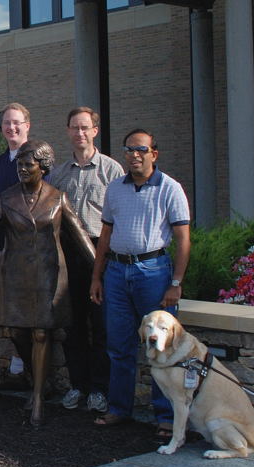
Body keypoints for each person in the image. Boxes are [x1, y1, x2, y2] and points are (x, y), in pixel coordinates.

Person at [0, 140, 94, 426]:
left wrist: (101, 272)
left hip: (48, 276)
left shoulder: (57, 199)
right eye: (20, 164)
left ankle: (37, 397)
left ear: (44, 167)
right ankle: (38, 379)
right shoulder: (6, 198)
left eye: (29, 164)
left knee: (41, 333)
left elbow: (81, 239)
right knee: (17, 332)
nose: (23, 169)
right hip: (14, 276)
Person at [89, 128, 191, 437]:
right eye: (129, 149)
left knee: (162, 348)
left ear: (153, 154)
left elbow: (183, 239)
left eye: (141, 150)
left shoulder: (170, 188)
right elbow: (105, 235)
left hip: (154, 272)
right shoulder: (115, 189)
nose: (134, 154)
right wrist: (97, 276)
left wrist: (176, 282)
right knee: (119, 346)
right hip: (117, 273)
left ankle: (165, 415)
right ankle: (120, 409)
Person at [49, 107, 124, 414]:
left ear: (95, 131)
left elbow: (119, 216)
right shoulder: (59, 174)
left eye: (85, 128)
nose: (79, 133)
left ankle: (99, 389)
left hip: (99, 252)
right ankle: (78, 385)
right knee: (72, 324)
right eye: (74, 128)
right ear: (68, 131)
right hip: (68, 254)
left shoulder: (111, 171)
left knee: (101, 325)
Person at [0, 102, 31, 194]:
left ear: (27, 126)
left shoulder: (37, 157)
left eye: (16, 122)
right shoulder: (0, 162)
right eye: (6, 123)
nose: (11, 127)